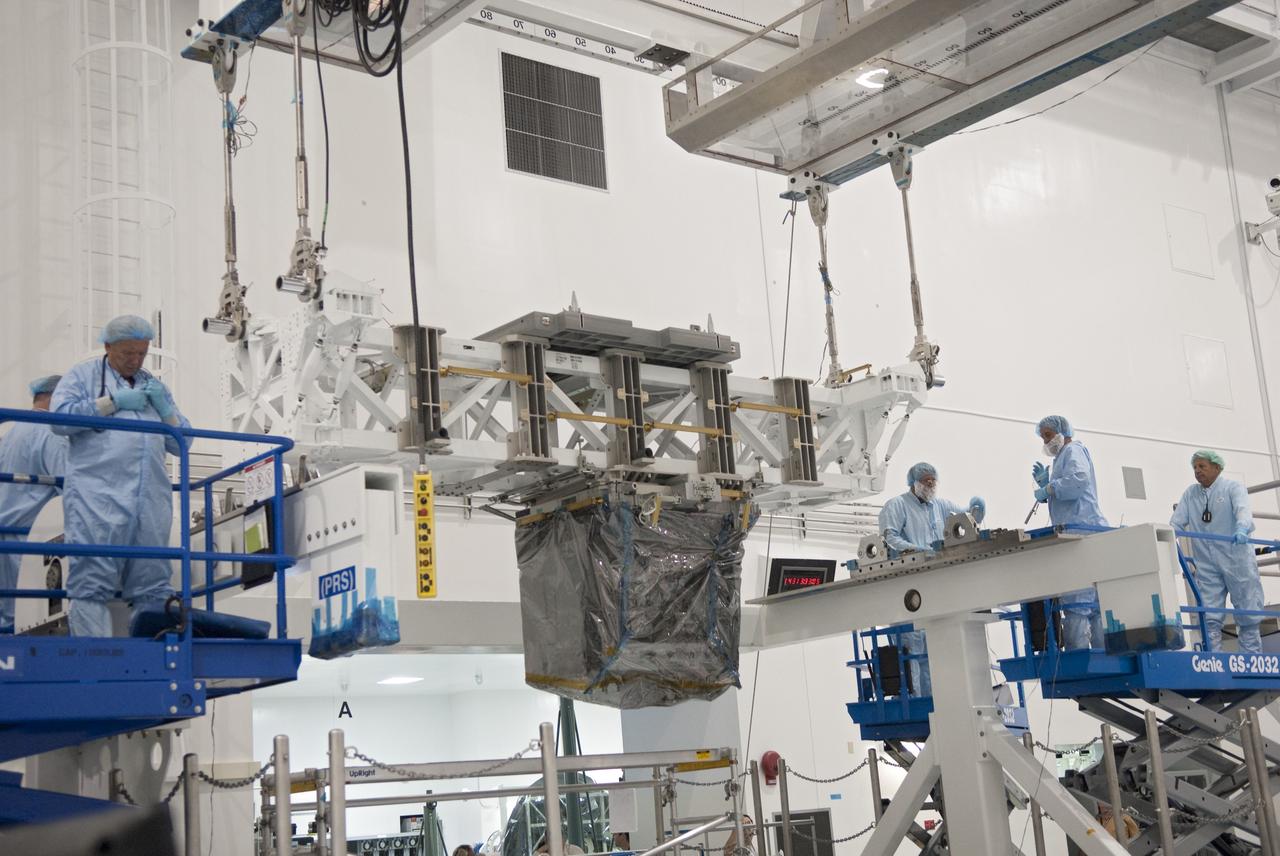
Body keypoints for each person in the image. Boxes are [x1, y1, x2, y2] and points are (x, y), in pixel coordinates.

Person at [51, 315, 190, 637]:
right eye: (128, 353)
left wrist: (165, 410)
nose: (135, 360)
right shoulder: (82, 376)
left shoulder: (153, 385)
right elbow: (60, 420)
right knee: (90, 582)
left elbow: (182, 443)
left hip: (151, 496)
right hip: (98, 495)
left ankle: (153, 658)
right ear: (107, 347)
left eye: (141, 353)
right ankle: (96, 658)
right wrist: (110, 403)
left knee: (153, 582)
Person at [878, 462, 987, 696]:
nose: (930, 485)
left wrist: (976, 513)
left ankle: (940, 701)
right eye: (925, 481)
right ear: (913, 483)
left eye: (933, 481)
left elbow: (965, 520)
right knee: (910, 653)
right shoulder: (897, 506)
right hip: (907, 588)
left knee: (936, 652)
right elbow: (890, 538)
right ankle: (915, 701)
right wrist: (917, 551)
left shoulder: (942, 506)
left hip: (937, 591)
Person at [1171, 450, 1264, 653]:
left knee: (1247, 611)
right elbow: (1176, 523)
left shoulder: (1233, 488)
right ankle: (1214, 660)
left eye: (1202, 466)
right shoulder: (1190, 494)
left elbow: (1243, 511)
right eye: (1195, 467)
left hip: (1236, 557)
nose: (1197, 471)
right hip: (1206, 563)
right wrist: (1166, 537)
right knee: (1210, 614)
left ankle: (1252, 660)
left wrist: (1242, 528)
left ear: (1217, 467)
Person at [1032, 415, 1108, 650]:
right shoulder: (1062, 457)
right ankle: (1101, 655)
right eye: (1043, 437)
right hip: (1079, 529)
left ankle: (1082, 659)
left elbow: (1079, 480)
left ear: (1061, 432)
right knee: (1094, 605)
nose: (1046, 441)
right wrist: (1048, 486)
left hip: (1081, 530)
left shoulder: (1073, 450)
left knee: (1077, 602)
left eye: (1048, 435)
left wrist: (1051, 487)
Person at [0, 376, 69, 633]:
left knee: (9, 617)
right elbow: (69, 488)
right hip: (29, 538)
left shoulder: (12, 431)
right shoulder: (50, 432)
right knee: (29, 618)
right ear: (56, 397)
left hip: (6, 534)